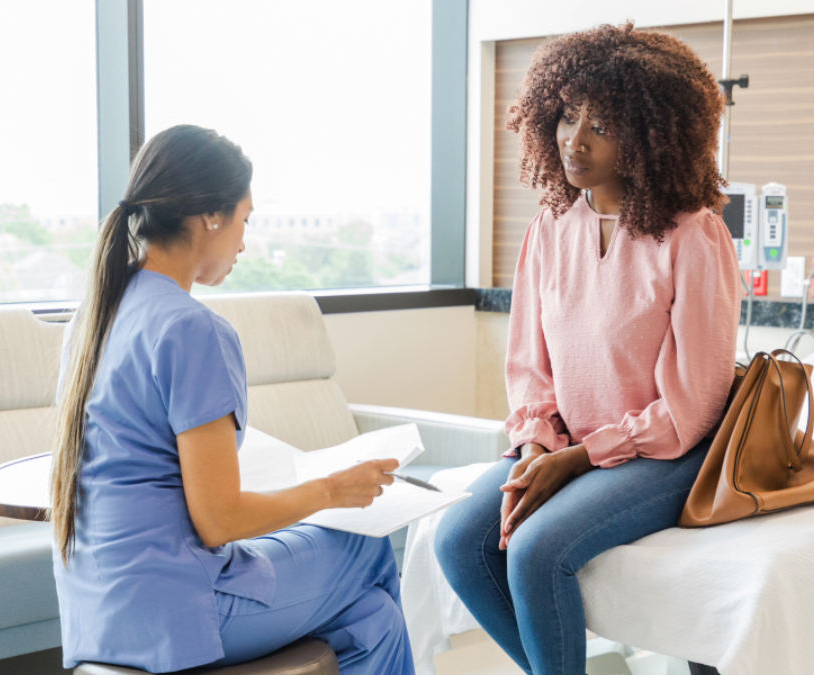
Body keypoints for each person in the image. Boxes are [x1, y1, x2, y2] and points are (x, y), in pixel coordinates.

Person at [50, 124, 415, 675]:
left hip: (97, 610)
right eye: (245, 219)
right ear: (210, 217)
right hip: (178, 609)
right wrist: (334, 490)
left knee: (374, 619)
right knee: (368, 549)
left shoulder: (94, 315)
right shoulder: (192, 329)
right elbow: (218, 519)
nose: (244, 241)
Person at [434, 24, 740, 675]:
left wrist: (579, 459)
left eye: (601, 124)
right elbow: (529, 366)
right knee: (459, 540)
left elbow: (694, 403)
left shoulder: (695, 236)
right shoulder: (550, 227)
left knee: (537, 547)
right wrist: (539, 443)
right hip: (574, 442)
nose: (575, 138)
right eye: (568, 116)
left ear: (651, 133)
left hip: (669, 452)